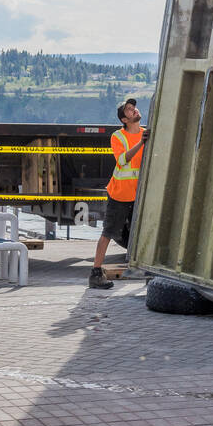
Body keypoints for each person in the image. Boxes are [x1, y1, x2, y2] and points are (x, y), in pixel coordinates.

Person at [89, 98, 146, 289]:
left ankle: (146, 268)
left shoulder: (146, 134)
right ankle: (96, 273)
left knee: (143, 232)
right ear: (124, 119)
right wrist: (141, 144)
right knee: (109, 232)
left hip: (139, 195)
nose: (134, 110)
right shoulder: (118, 137)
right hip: (120, 194)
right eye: (129, 110)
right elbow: (123, 160)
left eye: (134, 108)